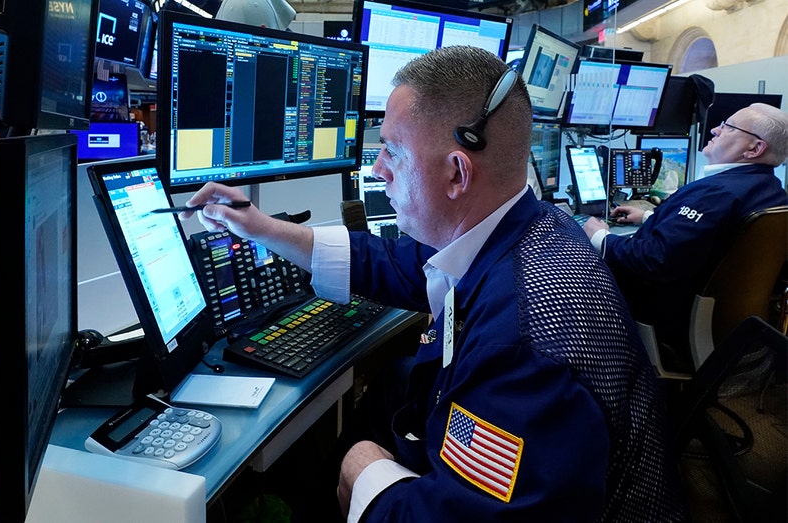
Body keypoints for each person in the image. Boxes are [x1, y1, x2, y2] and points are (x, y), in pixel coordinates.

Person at [184, 46, 684, 521]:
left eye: (392, 153)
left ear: (456, 174)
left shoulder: (524, 349)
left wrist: (365, 471)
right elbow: (393, 262)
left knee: (352, 447)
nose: (377, 171)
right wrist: (262, 229)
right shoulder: (536, 228)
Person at [583, 103, 788, 367]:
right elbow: (715, 238)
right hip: (729, 328)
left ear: (754, 148)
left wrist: (601, 237)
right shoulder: (771, 191)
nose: (715, 129)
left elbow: (656, 259)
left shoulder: (716, 194)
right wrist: (649, 217)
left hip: (666, 318)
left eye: (728, 127)